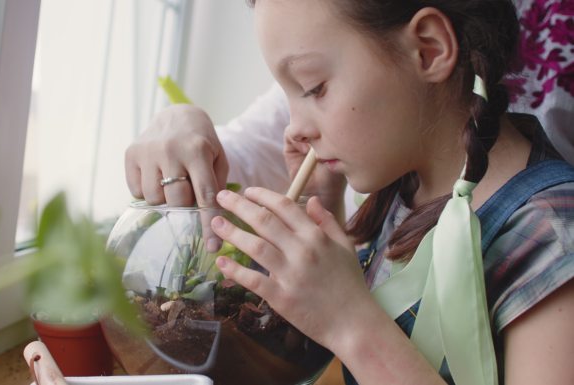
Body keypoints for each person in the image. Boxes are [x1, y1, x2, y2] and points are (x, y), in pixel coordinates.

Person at [126, 1, 574, 384]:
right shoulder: (405, 189)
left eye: (313, 88)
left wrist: (349, 321)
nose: (295, 126)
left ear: (428, 49)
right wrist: (328, 208)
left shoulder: (551, 236)